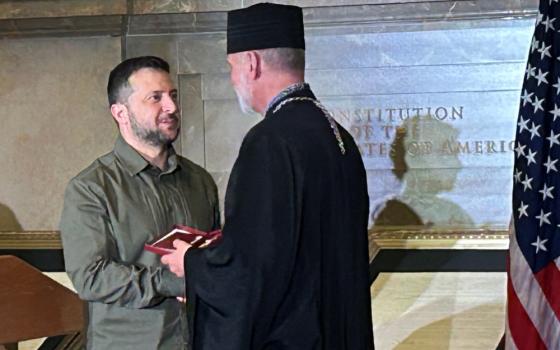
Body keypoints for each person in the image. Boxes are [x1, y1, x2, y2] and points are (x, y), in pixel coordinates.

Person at [162, 3, 374, 349]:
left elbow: (250, 268)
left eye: (231, 67)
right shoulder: (337, 135)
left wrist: (193, 264)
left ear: (251, 63)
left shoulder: (270, 141)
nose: (232, 79)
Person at [59, 56, 220, 349]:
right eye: (155, 98)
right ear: (120, 112)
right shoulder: (90, 188)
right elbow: (91, 277)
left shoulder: (200, 180)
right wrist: (174, 281)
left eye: (172, 95)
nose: (171, 107)